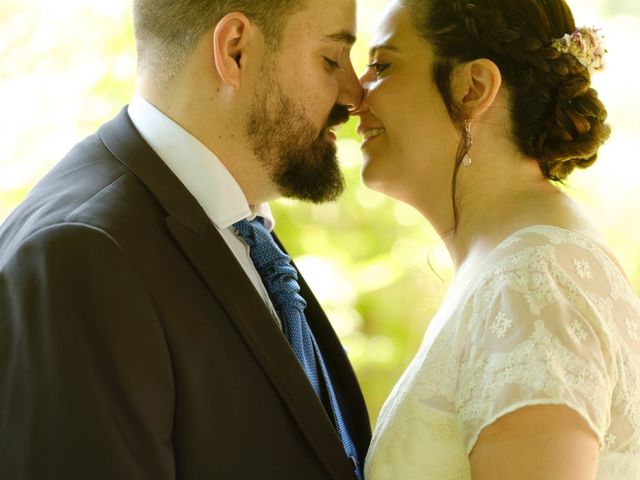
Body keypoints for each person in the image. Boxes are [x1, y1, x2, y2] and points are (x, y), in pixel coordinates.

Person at [0, 0, 371, 478]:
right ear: (234, 50)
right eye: (332, 60)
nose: (354, 94)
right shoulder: (79, 256)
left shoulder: (239, 229)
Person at [354, 0, 639, 478]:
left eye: (382, 65)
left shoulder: (533, 280)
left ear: (474, 87)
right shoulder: (521, 260)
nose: (354, 95)